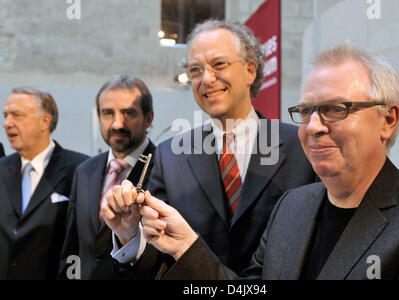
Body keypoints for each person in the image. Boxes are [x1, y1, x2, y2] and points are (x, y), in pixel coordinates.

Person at [136, 42, 399, 280]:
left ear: (388, 119)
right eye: (305, 112)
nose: (313, 126)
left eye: (336, 109)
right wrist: (184, 246)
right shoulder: (292, 207)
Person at [102, 20, 316, 276]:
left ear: (250, 70)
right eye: (195, 70)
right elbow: (159, 258)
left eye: (219, 64)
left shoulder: (303, 146)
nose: (207, 79)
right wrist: (129, 237)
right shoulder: (172, 156)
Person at [58, 75, 157, 279]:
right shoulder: (85, 170)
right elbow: (73, 245)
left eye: (128, 113)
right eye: (108, 113)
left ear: (149, 118)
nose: (117, 124)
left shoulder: (166, 169)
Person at [0, 87, 88, 280]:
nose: (7, 123)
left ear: (45, 121)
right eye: (5, 115)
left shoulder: (81, 169)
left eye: (17, 115)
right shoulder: (1, 169)